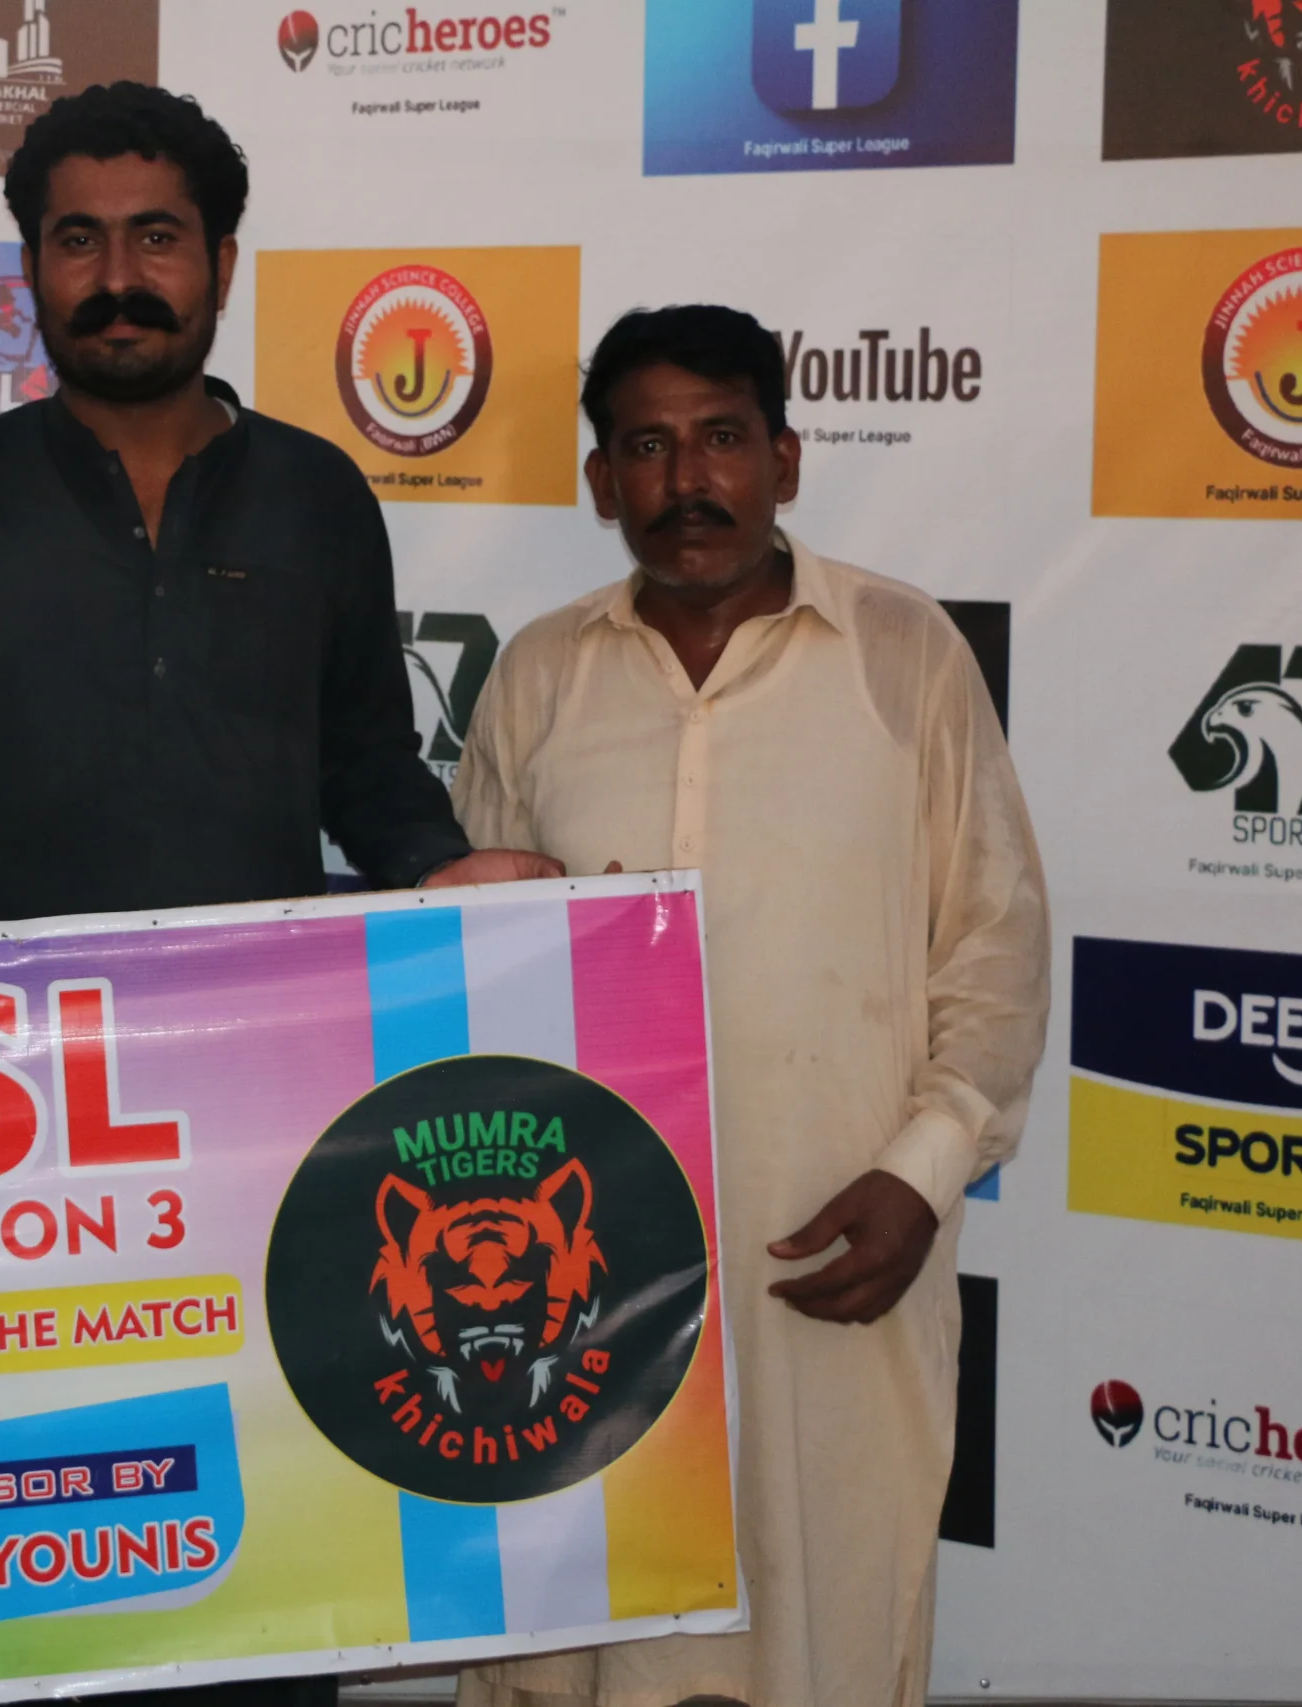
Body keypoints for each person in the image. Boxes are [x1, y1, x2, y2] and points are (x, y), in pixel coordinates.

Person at [449, 305, 1050, 1707]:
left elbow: (998, 940)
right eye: (645, 447)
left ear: (784, 456)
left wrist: (922, 1173)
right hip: (572, 1279)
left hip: (828, 1244)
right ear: (601, 482)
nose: (685, 480)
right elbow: (466, 962)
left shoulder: (903, 652)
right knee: (569, 1648)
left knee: (819, 1628)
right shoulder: (540, 671)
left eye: (721, 437)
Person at [0, 82, 548, 930]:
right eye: (79, 240)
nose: (118, 277)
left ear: (222, 268)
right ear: (31, 269)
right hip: (9, 1003)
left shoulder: (319, 495)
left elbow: (363, 758)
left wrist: (435, 862)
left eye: (157, 238)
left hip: (253, 995)